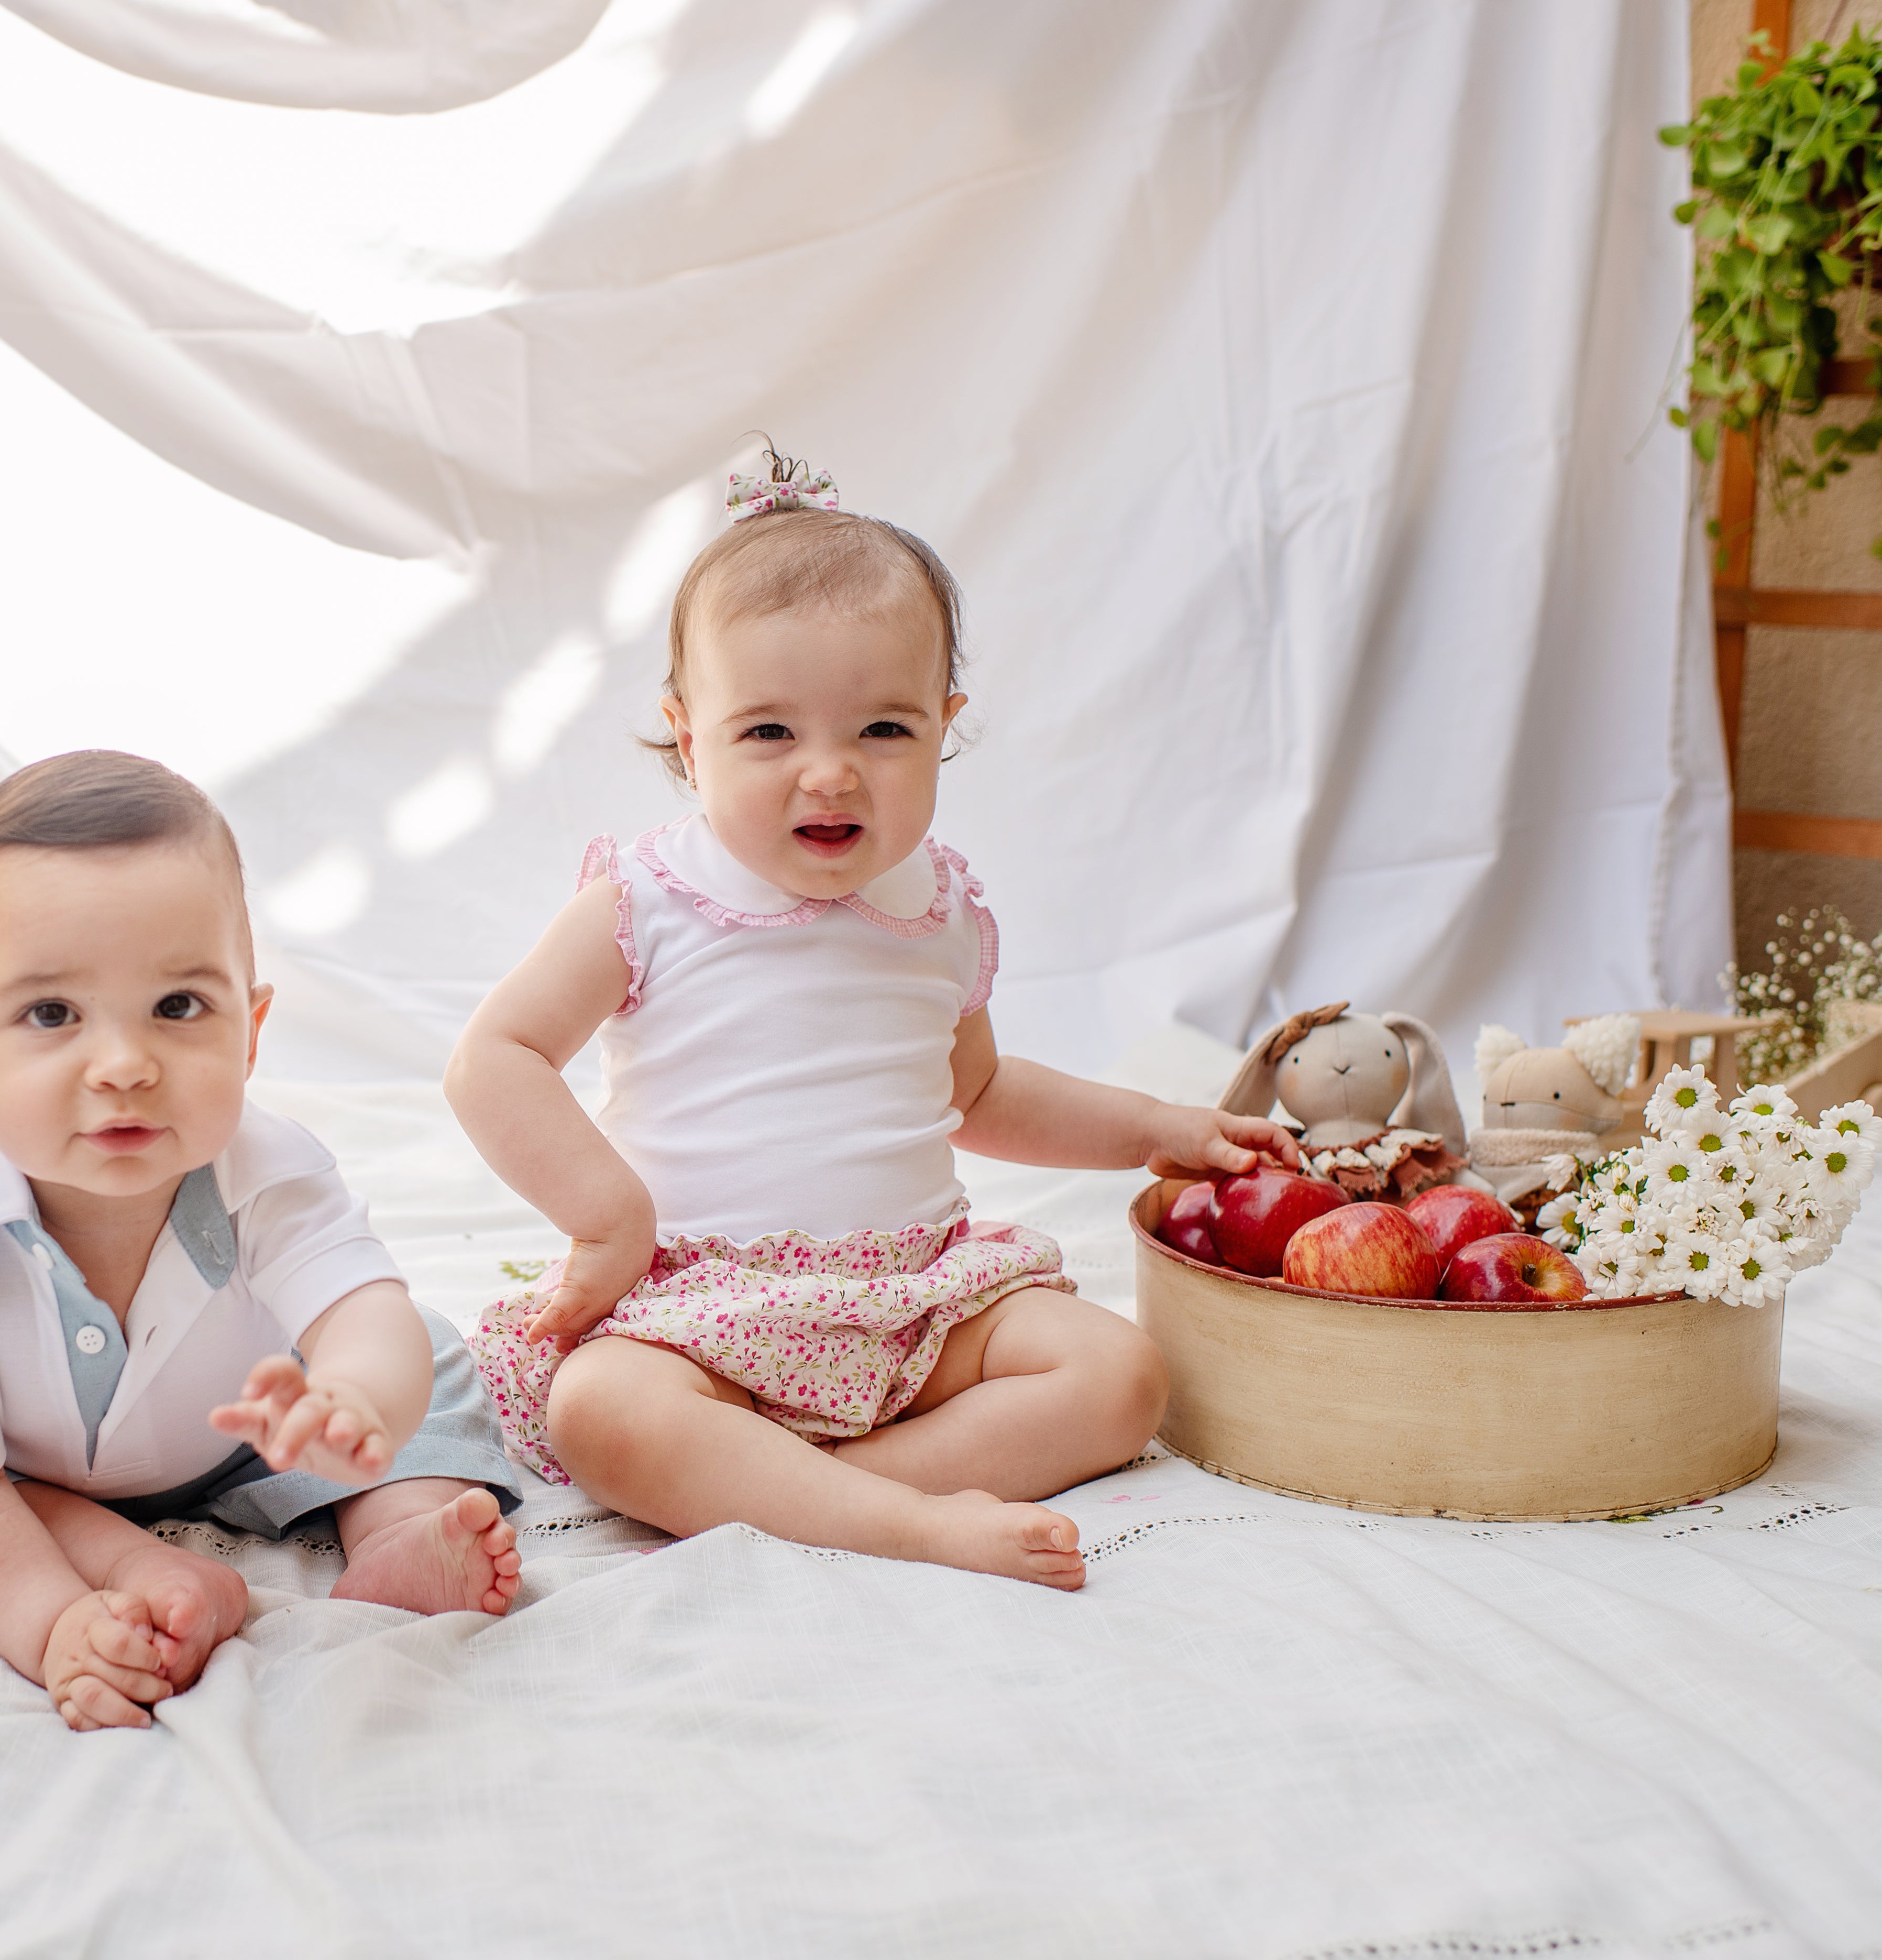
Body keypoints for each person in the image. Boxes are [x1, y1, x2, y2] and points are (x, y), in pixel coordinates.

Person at [446, 449, 1300, 1590]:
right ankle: (910, 1522)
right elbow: (494, 1060)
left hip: (913, 1303)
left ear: (945, 725)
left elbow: (978, 1094)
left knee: (1121, 1376)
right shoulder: (646, 901)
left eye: (883, 731)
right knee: (604, 1407)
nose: (831, 774)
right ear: (689, 737)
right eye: (769, 733)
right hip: (705, 1312)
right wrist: (610, 1223)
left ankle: (817, 1489)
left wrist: (1157, 1127)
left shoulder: (938, 908)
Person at [0, 751, 527, 1729]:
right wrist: (51, 1626)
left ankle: (396, 1534)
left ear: (251, 1030)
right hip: (13, 1468)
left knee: (425, 1349)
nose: (123, 1065)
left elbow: (358, 1310)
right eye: (51, 1013)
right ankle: (121, 1566)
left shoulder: (270, 1173)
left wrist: (353, 1397)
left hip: (248, 1435)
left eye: (177, 1007)